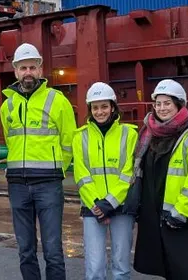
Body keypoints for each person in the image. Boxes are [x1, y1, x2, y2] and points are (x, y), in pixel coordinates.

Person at [0, 43, 77, 280]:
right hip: (17, 185)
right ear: (15, 71)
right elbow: (11, 142)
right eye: (23, 68)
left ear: (41, 70)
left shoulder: (57, 101)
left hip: (48, 185)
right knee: (25, 250)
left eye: (32, 67)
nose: (28, 72)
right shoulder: (7, 105)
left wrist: (57, 170)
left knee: (53, 250)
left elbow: (69, 141)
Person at [127, 79, 188, 280]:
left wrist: (181, 212)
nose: (162, 108)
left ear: (179, 104)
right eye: (158, 104)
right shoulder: (149, 135)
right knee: (169, 271)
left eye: (167, 103)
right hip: (158, 218)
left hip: (185, 219)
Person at [73, 82, 138, 280]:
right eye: (95, 107)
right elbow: (81, 175)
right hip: (93, 208)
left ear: (113, 107)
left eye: (104, 106)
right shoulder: (80, 137)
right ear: (90, 110)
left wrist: (109, 203)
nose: (100, 111)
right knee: (94, 267)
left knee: (121, 265)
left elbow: (129, 173)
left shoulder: (129, 134)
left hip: (121, 207)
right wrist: (97, 205)